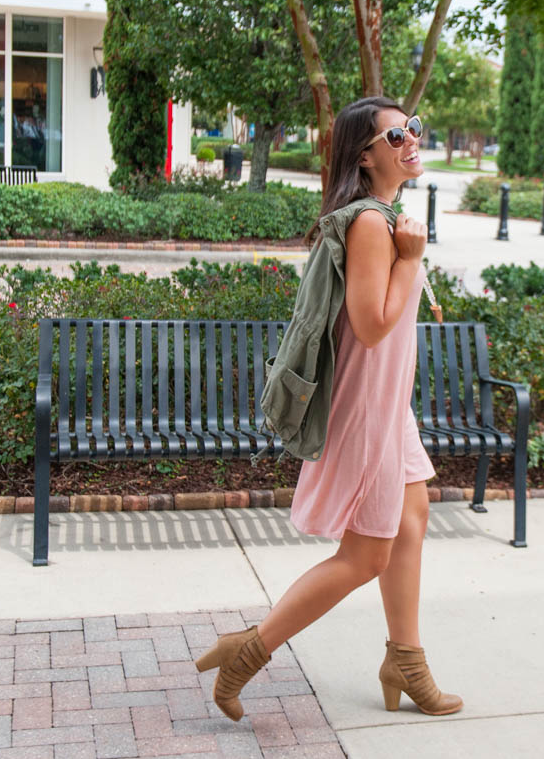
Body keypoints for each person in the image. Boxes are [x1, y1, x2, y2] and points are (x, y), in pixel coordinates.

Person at [194, 97, 462, 721]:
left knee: (413, 518)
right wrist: (414, 258)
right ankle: (249, 651)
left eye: (413, 127)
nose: (411, 139)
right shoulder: (371, 223)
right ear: (364, 156)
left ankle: (406, 659)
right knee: (365, 555)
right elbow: (371, 328)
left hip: (389, 405)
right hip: (366, 408)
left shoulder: (385, 213)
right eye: (396, 135)